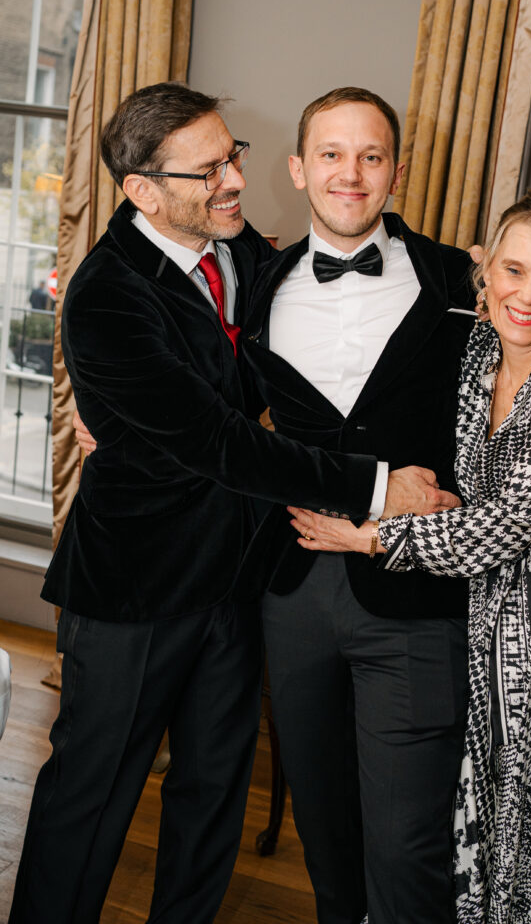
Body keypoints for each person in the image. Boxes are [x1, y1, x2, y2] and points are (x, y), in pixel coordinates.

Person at [74, 89, 531, 924]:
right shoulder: (253, 273)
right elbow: (196, 397)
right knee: (325, 834)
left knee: (408, 845)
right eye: (332, 155)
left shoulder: (460, 279)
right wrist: (108, 419)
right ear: (298, 168)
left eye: (371, 156)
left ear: (395, 171)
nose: (351, 173)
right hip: (292, 589)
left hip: (419, 598)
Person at [8, 82, 450, 924]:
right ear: (143, 189)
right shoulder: (104, 294)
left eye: (232, 155)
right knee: (90, 797)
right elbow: (217, 440)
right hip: (135, 590)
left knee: (212, 794)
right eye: (208, 170)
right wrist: (374, 484)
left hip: (241, 580)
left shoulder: (248, 256)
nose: (233, 182)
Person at [289, 190, 531, 923]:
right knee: (510, 842)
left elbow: (509, 525)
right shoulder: (473, 348)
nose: (526, 295)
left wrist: (365, 535)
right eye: (513, 270)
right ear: (484, 272)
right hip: (497, 631)